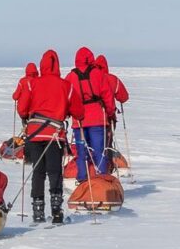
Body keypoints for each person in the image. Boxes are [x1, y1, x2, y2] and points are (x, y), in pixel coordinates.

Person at [16, 50, 83, 223]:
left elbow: (22, 108)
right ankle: (56, 211)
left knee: (38, 172)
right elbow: (78, 111)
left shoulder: (32, 84)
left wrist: (28, 117)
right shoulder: (66, 86)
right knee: (55, 172)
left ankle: (37, 211)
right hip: (55, 135)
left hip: (35, 133)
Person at [66, 47, 115, 182]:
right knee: (99, 151)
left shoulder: (70, 77)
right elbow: (108, 96)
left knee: (81, 152)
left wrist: (67, 113)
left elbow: (67, 97)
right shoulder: (99, 74)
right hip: (98, 120)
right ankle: (102, 180)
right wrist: (110, 112)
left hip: (79, 121)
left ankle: (82, 179)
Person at [11, 63, 39, 127]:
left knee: (26, 126)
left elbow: (16, 96)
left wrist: (14, 96)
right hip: (35, 111)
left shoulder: (22, 81)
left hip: (23, 110)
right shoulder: (38, 81)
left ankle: (25, 131)